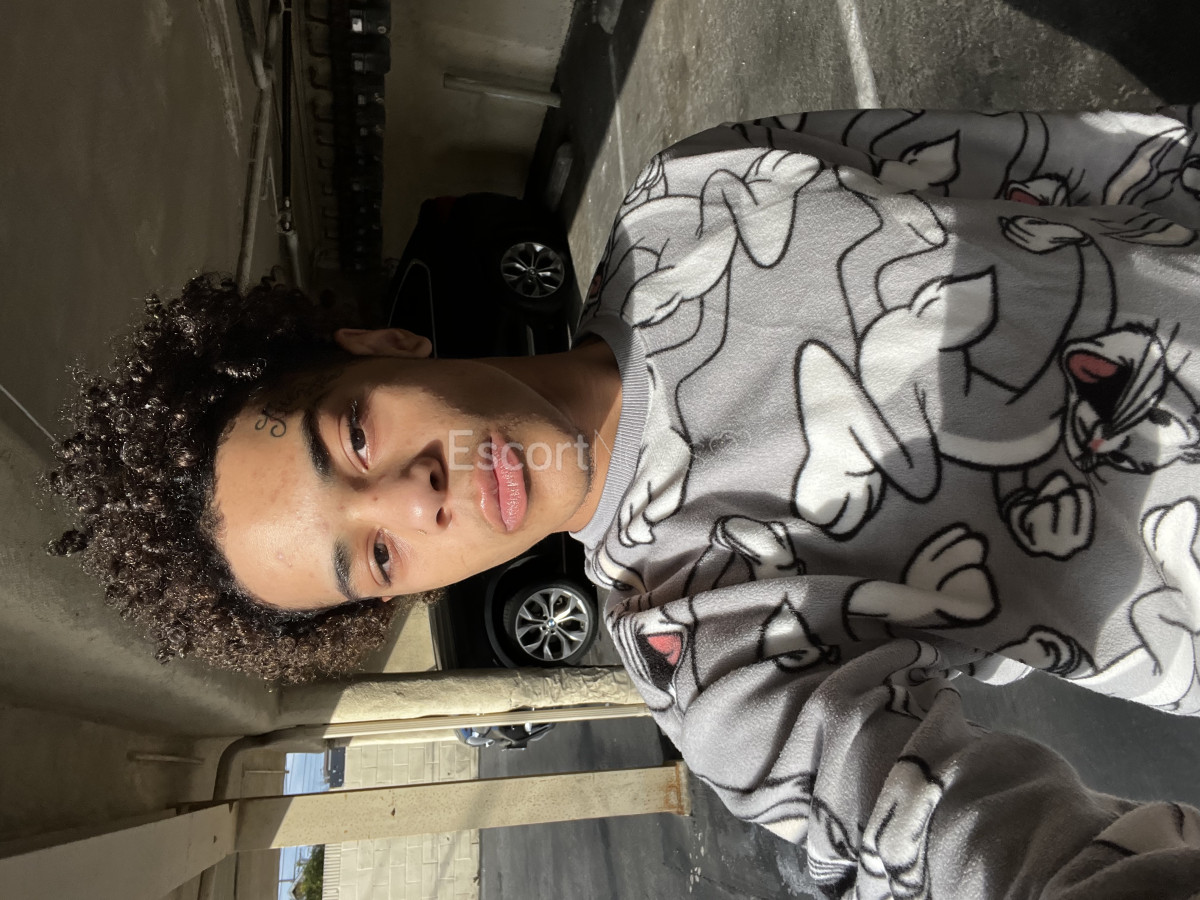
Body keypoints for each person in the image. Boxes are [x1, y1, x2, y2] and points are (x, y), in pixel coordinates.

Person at [50, 106, 1200, 895]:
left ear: (382, 345)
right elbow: (966, 844)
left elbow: (1048, 165)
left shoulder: (689, 197)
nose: (414, 498)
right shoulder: (707, 654)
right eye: (379, 556)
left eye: (353, 437)